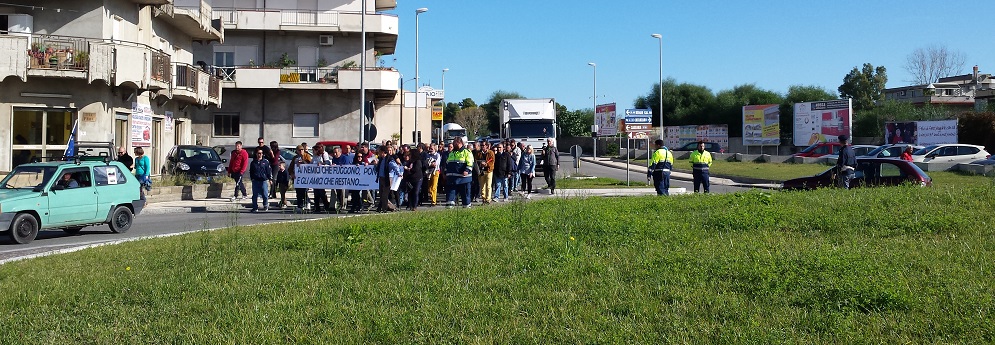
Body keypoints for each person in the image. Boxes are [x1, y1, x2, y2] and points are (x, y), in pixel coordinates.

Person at [445, 137, 474, 208]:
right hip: (452, 179)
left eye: (456, 142)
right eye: (454, 142)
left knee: (465, 196)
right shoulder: (452, 153)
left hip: (464, 179)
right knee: (450, 198)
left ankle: (466, 208)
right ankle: (449, 211)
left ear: (461, 143)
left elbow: (470, 163)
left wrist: (466, 170)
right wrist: (446, 172)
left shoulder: (467, 152)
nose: (455, 144)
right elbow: (448, 163)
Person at [289, 144, 312, 211]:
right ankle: (300, 206)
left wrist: (303, 162)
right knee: (298, 192)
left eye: (302, 150)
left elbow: (310, 165)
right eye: (299, 150)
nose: (301, 151)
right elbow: (290, 168)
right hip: (297, 178)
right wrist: (292, 174)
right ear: (297, 151)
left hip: (305, 178)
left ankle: (307, 203)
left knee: (304, 192)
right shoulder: (295, 158)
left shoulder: (307, 156)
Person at [311, 144, 333, 213]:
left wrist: (322, 163)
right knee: (316, 193)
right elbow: (311, 163)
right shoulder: (314, 156)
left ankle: (326, 206)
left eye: (314, 151)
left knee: (321, 192)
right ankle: (317, 207)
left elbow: (328, 162)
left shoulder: (324, 154)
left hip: (321, 176)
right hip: (315, 176)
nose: (313, 152)